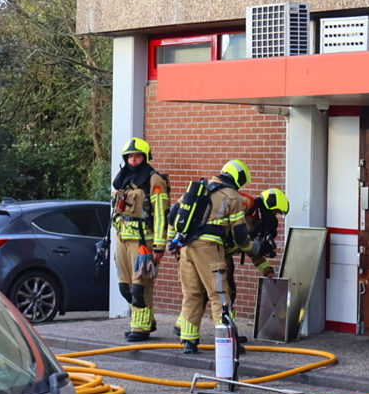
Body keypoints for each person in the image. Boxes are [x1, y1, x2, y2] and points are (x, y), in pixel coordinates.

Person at [176, 160, 268, 354]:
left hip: (186, 248)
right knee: (219, 295)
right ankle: (227, 342)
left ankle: (188, 342)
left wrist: (172, 242)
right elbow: (241, 236)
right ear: (238, 177)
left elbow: (173, 215)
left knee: (192, 294)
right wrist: (254, 247)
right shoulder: (232, 196)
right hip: (209, 249)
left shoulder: (200, 187)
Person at [110, 137, 168, 343]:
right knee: (125, 287)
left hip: (143, 242)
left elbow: (161, 214)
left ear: (145, 157)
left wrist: (159, 245)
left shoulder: (154, 180)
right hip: (122, 238)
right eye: (129, 157)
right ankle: (147, 320)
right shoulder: (123, 180)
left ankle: (140, 328)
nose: (133, 160)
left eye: (137, 156)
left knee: (139, 287)